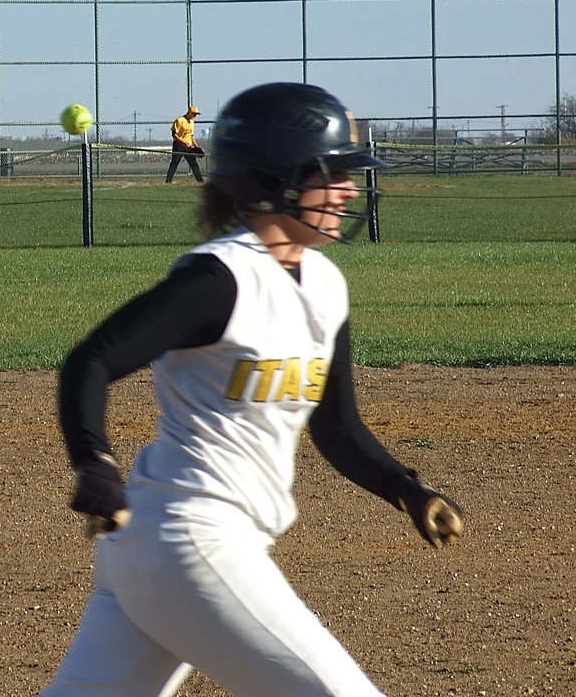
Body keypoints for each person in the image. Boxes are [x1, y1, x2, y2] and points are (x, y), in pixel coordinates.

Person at [41, 82, 464, 697]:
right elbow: (93, 359)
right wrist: (95, 464)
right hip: (192, 539)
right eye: (333, 173)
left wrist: (405, 488)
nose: (349, 189)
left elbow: (337, 429)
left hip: (168, 548)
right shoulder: (222, 278)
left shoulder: (324, 285)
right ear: (276, 180)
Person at [166, 105, 204, 183]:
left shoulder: (192, 122)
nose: (195, 116)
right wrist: (183, 142)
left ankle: (200, 181)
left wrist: (197, 147)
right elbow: (174, 135)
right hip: (179, 145)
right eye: (194, 114)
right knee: (174, 163)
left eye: (196, 114)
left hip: (188, 146)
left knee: (193, 163)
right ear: (189, 113)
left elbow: (191, 136)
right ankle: (168, 180)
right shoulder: (180, 120)